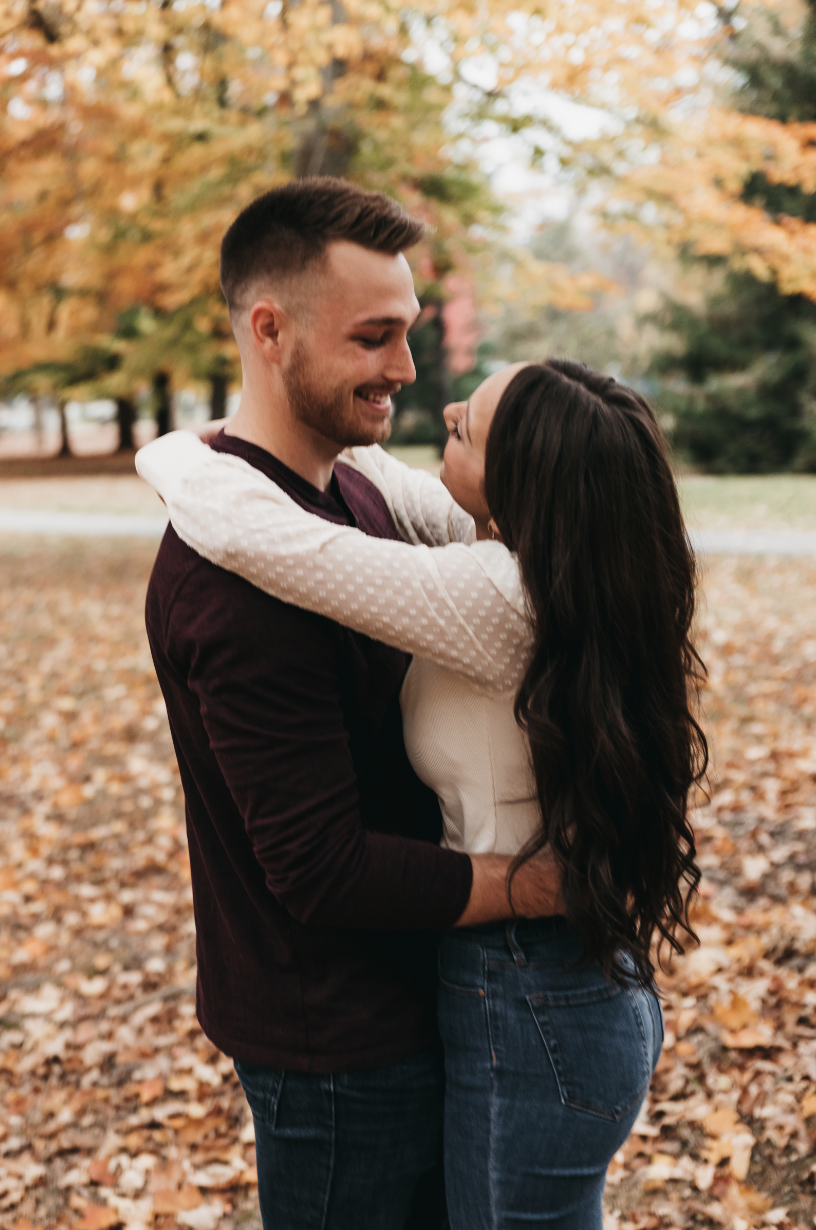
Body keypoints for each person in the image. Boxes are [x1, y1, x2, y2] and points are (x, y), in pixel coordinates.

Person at [138, 354, 708, 1230]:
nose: (441, 408)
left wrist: (174, 452)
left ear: (520, 483)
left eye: (465, 427)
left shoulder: (497, 598)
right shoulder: (556, 564)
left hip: (533, 996)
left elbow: (280, 543)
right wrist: (286, 405)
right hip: (570, 989)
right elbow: (382, 478)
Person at [140, 177, 563, 1230]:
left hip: (421, 1004)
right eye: (374, 337)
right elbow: (320, 871)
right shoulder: (232, 584)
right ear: (269, 330)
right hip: (337, 1050)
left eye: (409, 332)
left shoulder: (354, 492)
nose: (407, 371)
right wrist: (541, 888)